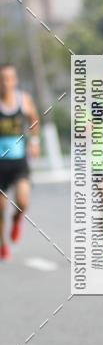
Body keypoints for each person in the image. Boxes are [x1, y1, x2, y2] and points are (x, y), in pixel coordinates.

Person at [0, 65, 39, 260]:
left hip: (19, 161)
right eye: (2, 79)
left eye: (10, 78)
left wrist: (34, 141)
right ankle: (2, 243)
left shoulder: (23, 100)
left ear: (15, 80)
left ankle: (17, 221)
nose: (6, 83)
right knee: (0, 207)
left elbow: (33, 120)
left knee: (23, 201)